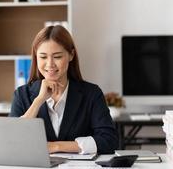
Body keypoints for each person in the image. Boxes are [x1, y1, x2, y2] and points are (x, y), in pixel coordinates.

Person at [9, 25, 118, 154]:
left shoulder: (91, 94)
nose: (50, 64)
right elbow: (12, 141)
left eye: (57, 56)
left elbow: (109, 140)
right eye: (43, 57)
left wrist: (57, 147)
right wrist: (38, 101)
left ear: (71, 55)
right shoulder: (22, 94)